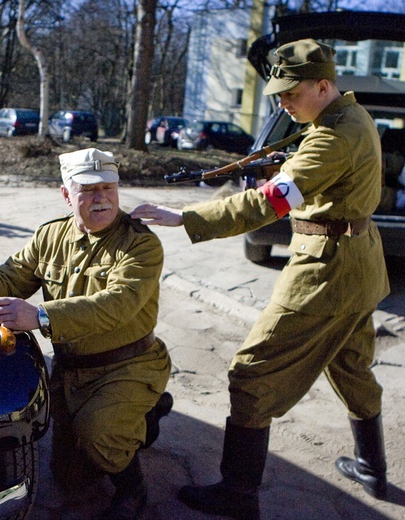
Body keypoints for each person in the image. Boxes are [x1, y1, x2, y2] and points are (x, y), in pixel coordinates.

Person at [131, 39, 390, 520]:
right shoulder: (350, 118)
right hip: (360, 268)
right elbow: (320, 176)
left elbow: (267, 204)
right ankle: (371, 467)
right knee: (352, 365)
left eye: (290, 93)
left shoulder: (329, 139)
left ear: (324, 85)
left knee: (251, 373)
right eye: (278, 93)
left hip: (325, 274)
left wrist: (185, 218)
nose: (281, 102)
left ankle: (237, 493)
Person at [0, 147, 173, 520]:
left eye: (108, 188)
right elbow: (14, 274)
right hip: (72, 369)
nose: (101, 198)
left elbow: (117, 303)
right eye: (87, 189)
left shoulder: (141, 243)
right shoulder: (51, 235)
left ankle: (135, 489)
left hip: (128, 364)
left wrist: (41, 316)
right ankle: (144, 419)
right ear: (66, 195)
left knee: (101, 435)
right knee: (70, 477)